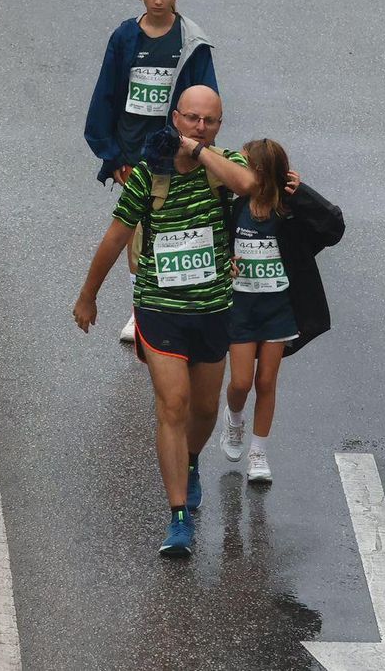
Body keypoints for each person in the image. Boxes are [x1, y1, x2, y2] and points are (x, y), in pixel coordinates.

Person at [74, 86, 253, 558]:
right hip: (159, 306)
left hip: (213, 309)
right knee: (172, 404)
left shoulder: (224, 165)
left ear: (218, 124)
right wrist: (87, 296)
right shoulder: (148, 175)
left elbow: (250, 186)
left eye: (208, 121)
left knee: (204, 411)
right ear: (175, 117)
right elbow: (116, 237)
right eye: (191, 119)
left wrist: (200, 152)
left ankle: (191, 460)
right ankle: (177, 519)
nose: (198, 126)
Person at [84, 0, 219, 343]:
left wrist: (197, 145)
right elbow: (105, 97)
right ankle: (138, 311)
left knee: (173, 226)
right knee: (137, 228)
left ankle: (178, 299)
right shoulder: (125, 38)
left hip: (178, 153)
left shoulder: (192, 42)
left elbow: (208, 98)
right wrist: (113, 158)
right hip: (134, 156)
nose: (158, 1)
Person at [219, 139, 344, 484]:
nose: (237, 172)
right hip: (241, 308)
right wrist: (223, 260)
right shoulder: (233, 206)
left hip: (278, 311)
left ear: (260, 172)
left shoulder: (288, 212)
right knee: (241, 382)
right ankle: (234, 420)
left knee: (266, 381)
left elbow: (333, 226)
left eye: (244, 166)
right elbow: (215, 239)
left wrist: (302, 192)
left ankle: (258, 453)